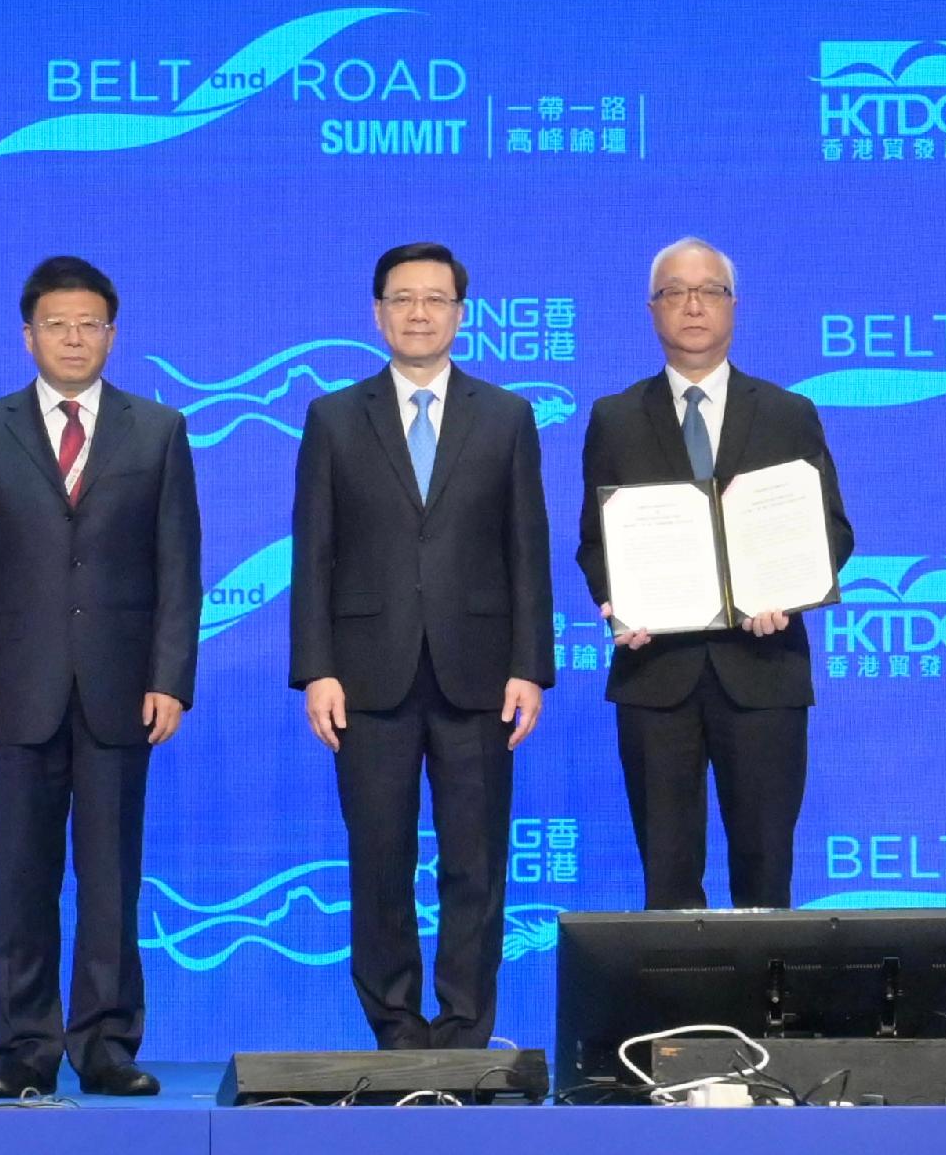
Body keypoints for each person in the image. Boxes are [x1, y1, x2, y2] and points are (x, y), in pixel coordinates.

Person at [0, 255, 202, 1098]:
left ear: (113, 335)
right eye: (58, 322)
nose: (75, 336)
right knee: (19, 876)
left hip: (123, 690)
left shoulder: (158, 430)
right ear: (28, 335)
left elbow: (177, 565)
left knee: (112, 877)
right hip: (13, 692)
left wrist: (172, 676)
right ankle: (22, 1049)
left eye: (90, 322)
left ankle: (106, 1044)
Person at [290, 241, 552, 1048]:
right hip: (367, 678)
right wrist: (316, 670)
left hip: (479, 676)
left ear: (461, 315)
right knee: (380, 860)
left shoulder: (506, 415)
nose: (419, 313)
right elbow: (314, 553)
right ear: (377, 313)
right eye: (403, 299)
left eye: (436, 299)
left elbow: (527, 551)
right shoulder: (335, 416)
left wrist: (530, 667)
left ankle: (467, 1026)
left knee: (475, 865)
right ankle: (396, 1025)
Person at [575, 235, 854, 911]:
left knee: (765, 870)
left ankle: (766, 1019)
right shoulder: (615, 416)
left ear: (734, 306)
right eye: (674, 291)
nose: (692, 304)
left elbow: (833, 531)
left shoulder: (789, 414)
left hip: (763, 672)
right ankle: (678, 1018)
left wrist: (788, 592)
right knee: (667, 879)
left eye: (709, 290)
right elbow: (596, 540)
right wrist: (618, 600)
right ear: (651, 310)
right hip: (655, 676)